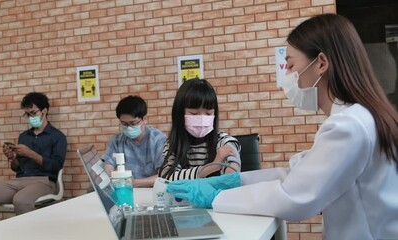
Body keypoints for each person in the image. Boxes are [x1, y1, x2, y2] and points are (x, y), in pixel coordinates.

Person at [166, 14, 398, 240]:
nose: (287, 75)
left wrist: (216, 196)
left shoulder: (348, 126)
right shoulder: (356, 118)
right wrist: (237, 181)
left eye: (290, 64)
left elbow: (295, 196)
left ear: (321, 63)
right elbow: (297, 176)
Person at [0, 92, 67, 227]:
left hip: (44, 181)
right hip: (20, 181)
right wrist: (12, 158)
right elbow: (18, 167)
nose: (30, 117)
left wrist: (30, 153)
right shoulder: (24, 136)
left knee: (21, 200)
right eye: (27, 114)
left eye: (33, 113)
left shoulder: (57, 137)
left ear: (44, 111)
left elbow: (56, 166)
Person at [159, 78, 241, 181]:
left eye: (208, 114)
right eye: (194, 113)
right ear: (180, 113)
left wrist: (232, 165)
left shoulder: (223, 141)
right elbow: (167, 177)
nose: (202, 119)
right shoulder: (173, 144)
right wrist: (211, 167)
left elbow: (232, 172)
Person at [101, 95, 167, 188]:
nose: (129, 127)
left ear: (144, 119)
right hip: (125, 189)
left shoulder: (158, 140)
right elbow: (107, 167)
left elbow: (165, 175)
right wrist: (112, 175)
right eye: (124, 124)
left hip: (151, 191)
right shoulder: (116, 140)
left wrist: (134, 182)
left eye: (133, 123)